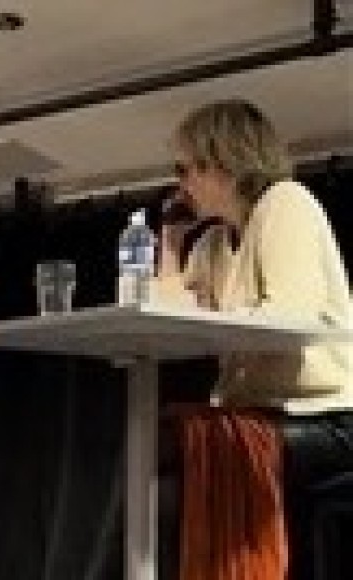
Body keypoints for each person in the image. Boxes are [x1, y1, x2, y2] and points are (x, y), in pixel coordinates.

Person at [157, 100, 352, 578]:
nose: (180, 185)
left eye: (186, 169)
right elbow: (164, 320)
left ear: (224, 162)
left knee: (189, 449)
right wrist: (170, 242)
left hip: (325, 415)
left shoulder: (285, 203)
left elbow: (291, 317)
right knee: (156, 437)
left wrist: (214, 323)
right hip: (254, 412)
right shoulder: (212, 244)